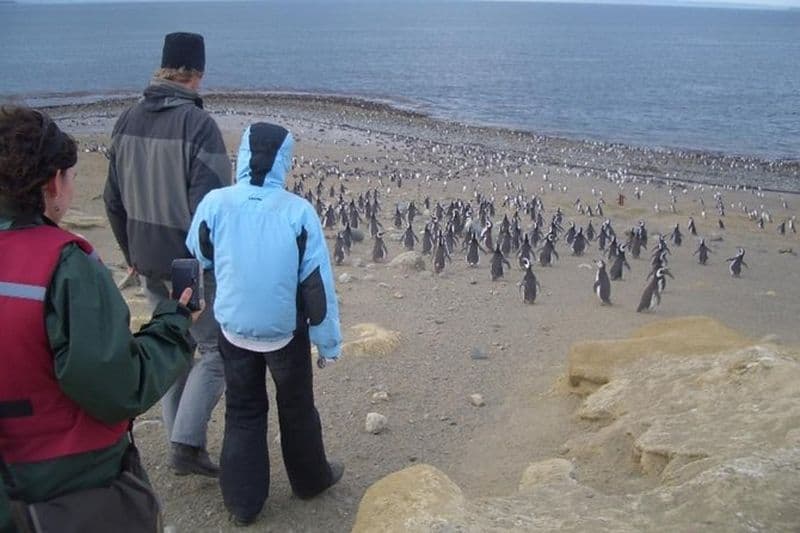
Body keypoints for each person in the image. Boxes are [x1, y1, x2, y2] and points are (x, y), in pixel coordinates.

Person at [0, 106, 202, 532]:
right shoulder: (63, 266)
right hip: (62, 484)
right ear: (52, 182)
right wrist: (175, 321)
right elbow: (115, 384)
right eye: (71, 176)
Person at [186, 122, 344, 526]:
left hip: (234, 328)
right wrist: (327, 344)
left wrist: (197, 301)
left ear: (242, 157)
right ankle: (310, 481)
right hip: (284, 333)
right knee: (296, 408)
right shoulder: (298, 212)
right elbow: (316, 286)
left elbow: (195, 256)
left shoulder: (216, 204)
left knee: (242, 410)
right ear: (283, 161)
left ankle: (243, 502)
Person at [103, 32, 232, 477]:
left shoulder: (125, 121)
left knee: (172, 345)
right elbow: (209, 210)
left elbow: (112, 200)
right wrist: (213, 264)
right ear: (197, 73)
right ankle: (185, 443)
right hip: (187, 263)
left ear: (163, 68)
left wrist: (130, 252)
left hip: (147, 261)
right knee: (215, 351)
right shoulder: (199, 126)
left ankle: (181, 439)